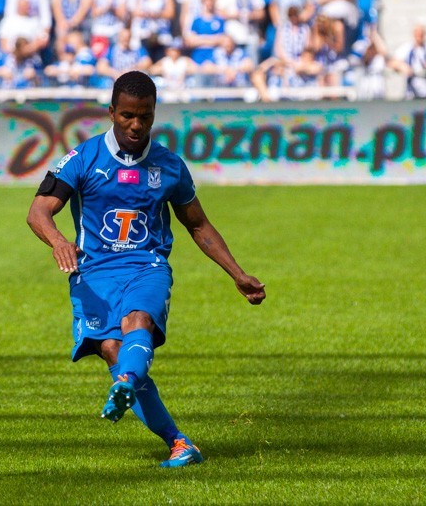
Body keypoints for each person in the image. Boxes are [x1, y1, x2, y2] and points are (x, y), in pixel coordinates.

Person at [26, 70, 266, 468]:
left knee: (138, 322)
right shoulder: (82, 159)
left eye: (145, 116)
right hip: (94, 273)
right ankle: (178, 442)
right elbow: (38, 211)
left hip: (147, 265)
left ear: (154, 114)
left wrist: (237, 273)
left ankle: (124, 383)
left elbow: (198, 225)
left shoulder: (169, 166)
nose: (136, 125)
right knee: (111, 348)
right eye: (127, 116)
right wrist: (58, 241)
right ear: (111, 113)